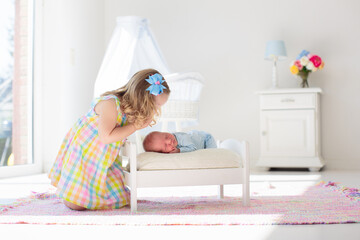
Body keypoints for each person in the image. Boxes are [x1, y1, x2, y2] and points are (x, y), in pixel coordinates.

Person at [48, 69, 170, 210]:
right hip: (85, 152)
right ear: (142, 100)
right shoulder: (111, 104)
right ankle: (71, 194)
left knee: (120, 199)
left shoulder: (129, 111)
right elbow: (106, 137)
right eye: (155, 106)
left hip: (105, 156)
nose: (155, 110)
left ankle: (93, 194)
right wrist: (136, 126)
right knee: (77, 204)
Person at [142, 130, 217, 153]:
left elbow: (193, 148)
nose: (169, 141)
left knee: (212, 154)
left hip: (206, 139)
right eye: (165, 146)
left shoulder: (182, 138)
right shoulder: (170, 149)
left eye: (166, 136)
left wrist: (179, 150)